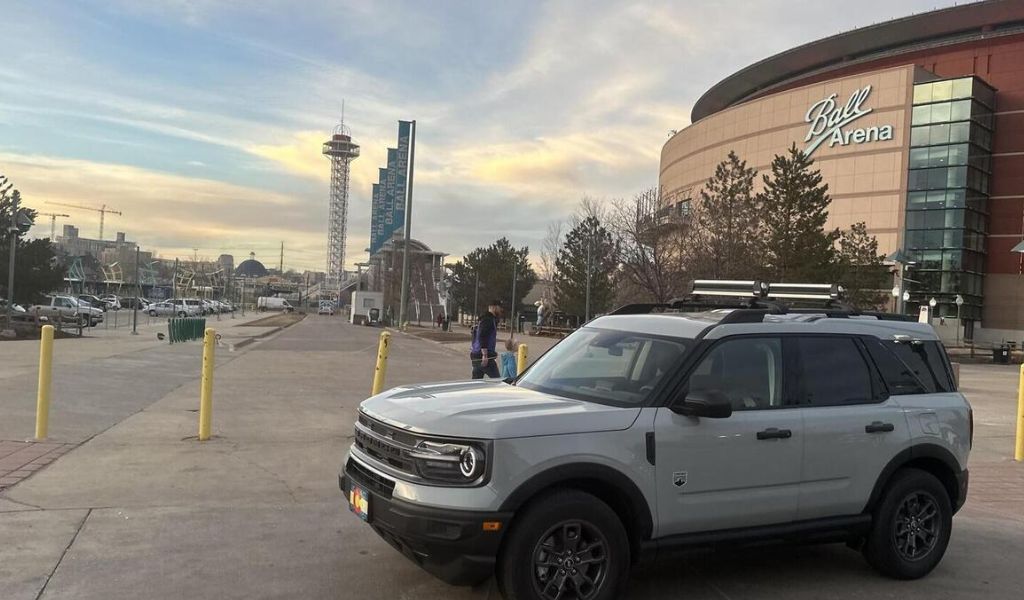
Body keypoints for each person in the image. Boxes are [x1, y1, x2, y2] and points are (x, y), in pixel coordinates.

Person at [471, 300, 502, 379]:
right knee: (497, 382)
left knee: (476, 382)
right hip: (485, 357)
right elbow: (482, 336)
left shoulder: (483, 319)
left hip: (476, 355)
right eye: (499, 307)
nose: (501, 310)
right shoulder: (488, 320)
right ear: (493, 307)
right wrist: (485, 355)